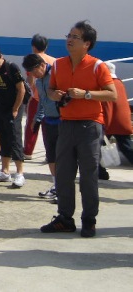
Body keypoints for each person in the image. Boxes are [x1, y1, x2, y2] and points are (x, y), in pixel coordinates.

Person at [41, 21, 116, 238]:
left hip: (90, 126)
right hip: (66, 124)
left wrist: (86, 94)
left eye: (75, 37)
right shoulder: (58, 65)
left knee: (88, 175)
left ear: (87, 43)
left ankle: (89, 220)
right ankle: (65, 218)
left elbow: (112, 94)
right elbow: (52, 90)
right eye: (69, 35)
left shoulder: (97, 66)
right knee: (63, 174)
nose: (69, 40)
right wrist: (55, 95)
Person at [0, 45, 27, 188]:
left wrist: (15, 109)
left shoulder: (11, 68)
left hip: (13, 108)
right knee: (3, 138)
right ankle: (5, 171)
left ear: (1, 57)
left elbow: (21, 89)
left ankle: (20, 173)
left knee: (14, 138)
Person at [22, 53, 60, 201]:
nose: (33, 74)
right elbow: (41, 102)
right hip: (48, 121)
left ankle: (64, 190)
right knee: (51, 156)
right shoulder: (38, 82)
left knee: (63, 157)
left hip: (62, 121)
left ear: (42, 65)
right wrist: (36, 119)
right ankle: (56, 186)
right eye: (30, 72)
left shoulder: (56, 75)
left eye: (34, 71)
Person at [24, 34, 56, 157]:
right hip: (52, 99)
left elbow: (31, 81)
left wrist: (32, 92)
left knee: (32, 126)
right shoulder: (54, 60)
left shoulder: (33, 60)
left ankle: (28, 151)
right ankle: (50, 153)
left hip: (38, 98)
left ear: (33, 46)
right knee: (48, 128)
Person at [101, 62, 133, 165]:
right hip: (122, 121)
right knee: (126, 147)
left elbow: (107, 107)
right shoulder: (119, 83)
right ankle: (100, 172)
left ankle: (100, 173)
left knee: (96, 148)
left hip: (112, 122)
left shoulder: (106, 86)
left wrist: (104, 126)